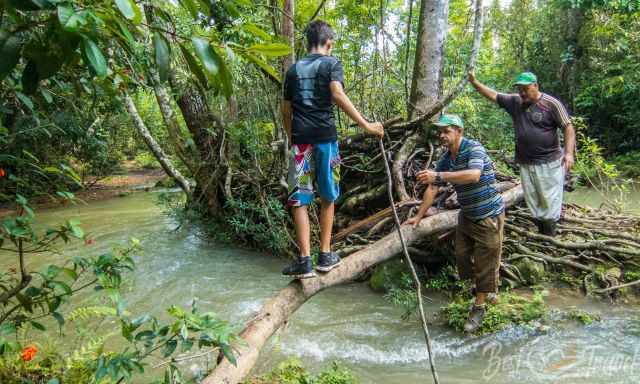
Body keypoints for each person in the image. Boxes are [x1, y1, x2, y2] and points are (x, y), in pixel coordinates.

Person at [281, 20, 384, 279]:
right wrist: (367, 125)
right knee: (328, 196)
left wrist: (291, 137)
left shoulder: (293, 70)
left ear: (307, 43)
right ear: (329, 43)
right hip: (326, 139)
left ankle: (304, 261)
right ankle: (325, 255)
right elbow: (336, 94)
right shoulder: (331, 63)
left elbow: (285, 110)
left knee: (300, 200)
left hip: (301, 142)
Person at [405, 114, 505, 333]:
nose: (442, 136)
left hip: (488, 215)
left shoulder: (474, 148)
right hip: (467, 214)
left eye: (446, 131)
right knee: (461, 256)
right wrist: (420, 215)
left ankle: (479, 306)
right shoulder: (447, 157)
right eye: (440, 132)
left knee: (485, 260)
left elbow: (474, 175)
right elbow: (432, 186)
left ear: (459, 131)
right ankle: (483, 289)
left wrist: (439, 175)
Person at [468, 71, 575, 236]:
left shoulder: (551, 103)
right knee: (532, 199)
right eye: (520, 89)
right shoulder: (515, 102)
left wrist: (569, 154)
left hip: (549, 161)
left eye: (526, 88)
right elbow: (494, 95)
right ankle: (543, 232)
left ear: (536, 86)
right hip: (526, 162)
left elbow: (568, 127)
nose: (522, 92)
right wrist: (475, 83)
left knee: (549, 200)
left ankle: (549, 237)